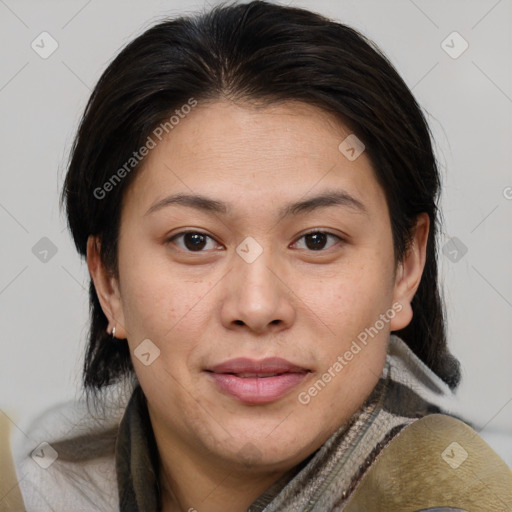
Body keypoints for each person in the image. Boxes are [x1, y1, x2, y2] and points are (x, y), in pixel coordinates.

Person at [5, 1, 511, 511]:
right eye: (194, 241)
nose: (256, 305)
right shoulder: (35, 484)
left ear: (406, 269)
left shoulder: (458, 495)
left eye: (317, 240)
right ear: (108, 280)